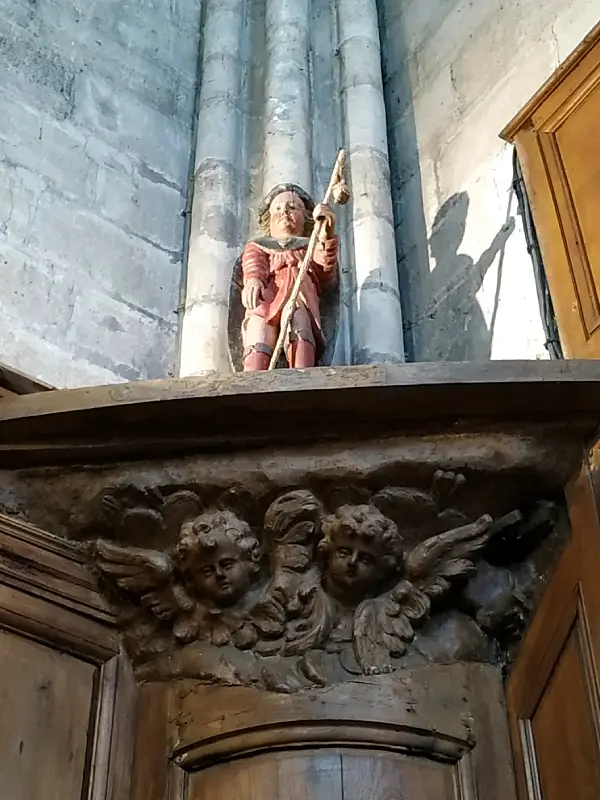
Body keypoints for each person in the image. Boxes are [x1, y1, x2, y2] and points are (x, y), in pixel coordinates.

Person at [241, 183, 338, 370]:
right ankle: (252, 381)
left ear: (307, 219)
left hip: (301, 296)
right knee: (258, 328)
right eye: (277, 208)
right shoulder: (260, 245)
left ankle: (302, 376)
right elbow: (254, 262)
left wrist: (326, 232)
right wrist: (254, 279)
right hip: (268, 297)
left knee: (299, 322)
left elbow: (325, 272)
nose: (284, 212)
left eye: (293, 207)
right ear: (268, 219)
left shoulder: (310, 246)